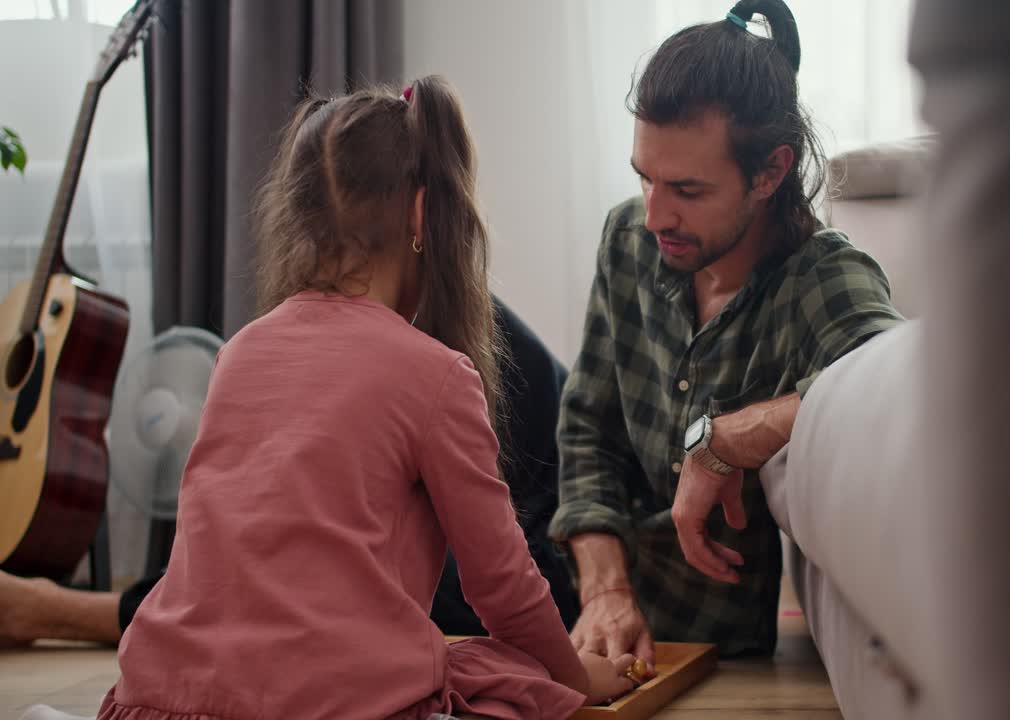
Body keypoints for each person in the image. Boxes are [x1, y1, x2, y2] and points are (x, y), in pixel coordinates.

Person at [91, 76, 638, 720]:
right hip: (324, 703)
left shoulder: (237, 351)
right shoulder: (436, 373)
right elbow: (501, 585)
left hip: (154, 694)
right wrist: (578, 679)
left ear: (299, 212)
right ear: (419, 215)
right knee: (505, 675)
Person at [550, 0, 903, 665]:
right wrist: (604, 590)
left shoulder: (823, 280)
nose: (655, 216)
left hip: (688, 628)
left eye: (686, 189)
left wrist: (727, 439)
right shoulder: (628, 236)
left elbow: (899, 382)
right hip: (575, 567)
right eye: (645, 178)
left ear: (770, 171)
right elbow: (586, 429)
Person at [0, 295, 577, 648]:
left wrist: (571, 671)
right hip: (549, 510)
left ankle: (77, 611)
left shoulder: (442, 348)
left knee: (344, 570)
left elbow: (508, 587)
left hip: (556, 546)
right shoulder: (263, 348)